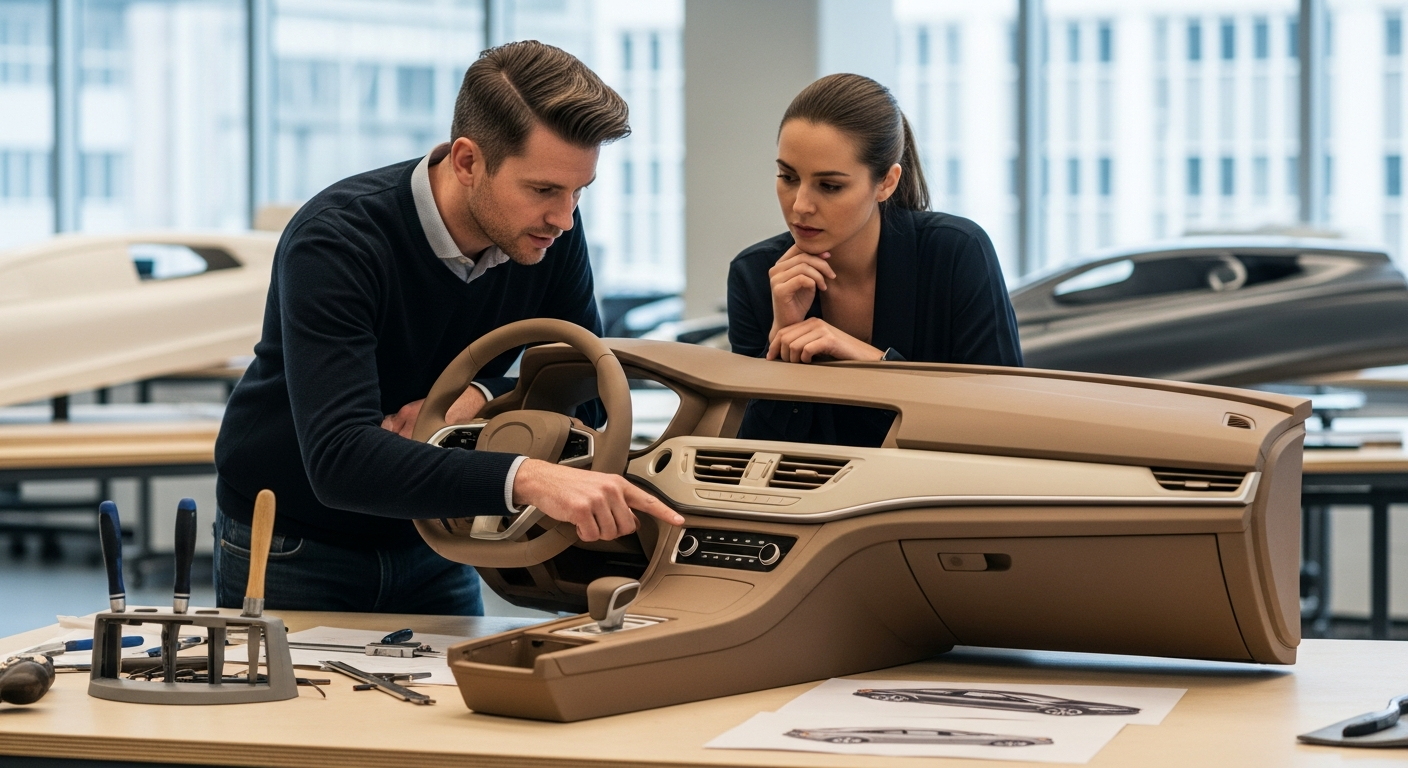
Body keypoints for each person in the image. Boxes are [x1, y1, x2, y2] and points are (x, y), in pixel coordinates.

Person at [213, 41, 683, 615]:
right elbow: (341, 461)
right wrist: (527, 477)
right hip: (294, 539)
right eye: (543, 190)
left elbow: (582, 392)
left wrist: (477, 401)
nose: (563, 217)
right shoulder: (337, 241)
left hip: (435, 533)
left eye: (578, 191)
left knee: (449, 705)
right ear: (467, 162)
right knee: (297, 706)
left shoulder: (549, 234)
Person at [727, 73, 1023, 448]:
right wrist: (781, 343)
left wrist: (874, 362)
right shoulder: (755, 274)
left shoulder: (955, 252)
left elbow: (1005, 418)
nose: (800, 205)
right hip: (810, 499)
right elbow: (754, 453)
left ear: (886, 182)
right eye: (787, 176)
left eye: (830, 186)